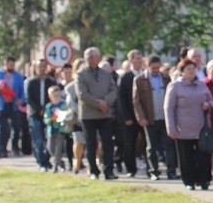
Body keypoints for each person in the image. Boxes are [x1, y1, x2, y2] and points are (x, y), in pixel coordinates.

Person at [165, 58, 213, 190]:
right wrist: (171, 128)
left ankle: (203, 180)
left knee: (203, 156)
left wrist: (207, 105)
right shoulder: (175, 86)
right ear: (182, 71)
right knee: (186, 157)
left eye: (193, 69)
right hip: (183, 128)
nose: (192, 71)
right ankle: (189, 181)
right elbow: (169, 108)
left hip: (201, 127)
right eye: (188, 69)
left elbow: (211, 100)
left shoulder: (201, 84)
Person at [75, 47, 119, 180]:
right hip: (89, 115)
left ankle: (109, 170)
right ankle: (93, 170)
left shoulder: (106, 74)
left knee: (107, 143)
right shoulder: (81, 74)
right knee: (91, 143)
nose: (98, 59)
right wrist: (97, 103)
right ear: (89, 58)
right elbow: (82, 94)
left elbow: (113, 90)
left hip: (104, 114)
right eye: (96, 56)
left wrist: (106, 102)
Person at [133, 55, 177, 180]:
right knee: (151, 147)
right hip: (150, 118)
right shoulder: (140, 80)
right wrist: (141, 117)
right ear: (147, 66)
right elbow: (136, 101)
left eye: (158, 67)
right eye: (153, 68)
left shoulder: (165, 78)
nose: (156, 70)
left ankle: (171, 171)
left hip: (164, 118)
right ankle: (153, 171)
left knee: (169, 145)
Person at [24, 59, 56, 171]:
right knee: (38, 139)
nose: (41, 69)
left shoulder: (51, 82)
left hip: (48, 114)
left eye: (43, 66)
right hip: (35, 114)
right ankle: (41, 162)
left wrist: (47, 110)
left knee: (49, 138)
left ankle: (46, 159)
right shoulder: (30, 82)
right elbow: (29, 99)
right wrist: (39, 110)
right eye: (39, 67)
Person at [0, 56, 26, 159]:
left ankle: (15, 146)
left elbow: (22, 91)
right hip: (1, 105)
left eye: (13, 65)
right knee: (3, 128)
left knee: (16, 126)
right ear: (5, 63)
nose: (11, 67)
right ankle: (3, 149)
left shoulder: (18, 76)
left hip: (14, 105)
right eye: (9, 64)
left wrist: (21, 100)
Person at [118, 49, 145, 178]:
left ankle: (150, 167)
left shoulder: (145, 75)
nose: (139, 61)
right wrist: (126, 117)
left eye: (141, 58)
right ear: (131, 60)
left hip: (144, 116)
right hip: (130, 116)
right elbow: (121, 98)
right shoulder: (126, 77)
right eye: (137, 58)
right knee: (130, 143)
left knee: (146, 143)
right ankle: (130, 168)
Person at [65, 59, 86, 174]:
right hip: (77, 119)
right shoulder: (70, 87)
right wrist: (80, 112)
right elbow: (71, 103)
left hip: (89, 117)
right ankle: (77, 163)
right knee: (78, 141)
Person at [44, 85, 69, 172]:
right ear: (50, 97)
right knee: (50, 148)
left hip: (60, 130)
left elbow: (66, 114)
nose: (57, 98)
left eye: (59, 95)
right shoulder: (49, 107)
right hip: (51, 130)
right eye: (55, 96)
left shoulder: (63, 105)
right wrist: (48, 120)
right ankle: (60, 162)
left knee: (58, 148)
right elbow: (45, 118)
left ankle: (55, 166)